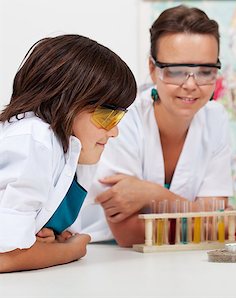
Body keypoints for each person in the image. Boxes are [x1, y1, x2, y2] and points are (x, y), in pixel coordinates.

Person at [76, 5, 233, 247]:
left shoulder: (216, 118)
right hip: (104, 256)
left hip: (181, 262)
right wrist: (199, 216)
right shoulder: (123, 120)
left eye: (205, 71)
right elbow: (129, 234)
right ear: (152, 68)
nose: (191, 85)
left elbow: (217, 227)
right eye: (176, 71)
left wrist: (153, 194)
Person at [0, 34, 137, 272]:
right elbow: (5, 256)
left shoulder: (72, 150)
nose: (114, 131)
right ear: (66, 101)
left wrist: (44, 239)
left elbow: (41, 236)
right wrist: (72, 250)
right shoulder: (35, 138)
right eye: (108, 116)